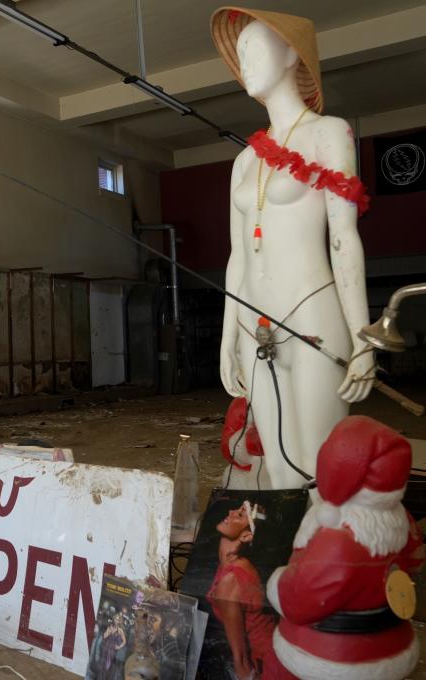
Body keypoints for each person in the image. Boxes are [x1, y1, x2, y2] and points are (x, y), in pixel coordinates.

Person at [211, 8, 375, 489]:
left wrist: (362, 336)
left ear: (290, 54)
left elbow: (345, 238)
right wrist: (227, 338)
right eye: (239, 53)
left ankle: (325, 558)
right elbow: (237, 257)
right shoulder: (243, 161)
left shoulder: (329, 133)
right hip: (251, 320)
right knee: (279, 467)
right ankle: (285, 561)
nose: (244, 60)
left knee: (321, 462)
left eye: (255, 46)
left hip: (312, 314)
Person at [267, 416, 423, 679]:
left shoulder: (338, 542)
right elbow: (415, 564)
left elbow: (298, 602)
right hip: (393, 643)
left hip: (328, 655)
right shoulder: (401, 520)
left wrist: (276, 581)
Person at [206, 500, 277, 679]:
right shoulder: (231, 564)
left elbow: (242, 660)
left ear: (246, 536)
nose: (231, 512)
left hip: (264, 664)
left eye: (240, 515)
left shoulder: (232, 579)